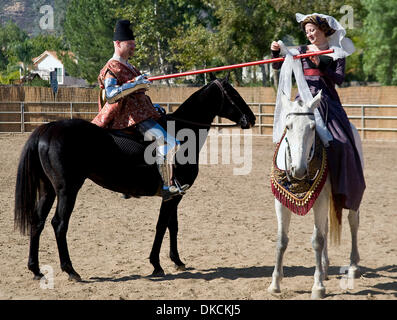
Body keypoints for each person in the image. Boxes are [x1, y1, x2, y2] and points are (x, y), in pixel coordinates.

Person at [270, 13, 365, 216]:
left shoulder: (336, 52)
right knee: (288, 135)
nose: (309, 34)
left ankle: (340, 190)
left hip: (326, 101)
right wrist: (275, 51)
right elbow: (278, 64)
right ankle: (285, 177)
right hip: (303, 102)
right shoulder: (301, 50)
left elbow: (339, 79)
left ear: (323, 30)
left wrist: (320, 63)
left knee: (342, 142)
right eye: (306, 31)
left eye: (312, 30)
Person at [91, 19, 188, 201]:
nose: (133, 48)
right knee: (168, 143)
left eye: (134, 45)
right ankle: (167, 187)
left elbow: (138, 98)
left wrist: (151, 105)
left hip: (141, 114)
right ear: (118, 43)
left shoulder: (131, 67)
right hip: (128, 118)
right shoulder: (112, 67)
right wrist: (136, 85)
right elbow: (111, 95)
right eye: (130, 44)